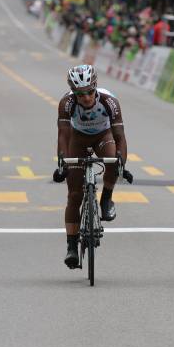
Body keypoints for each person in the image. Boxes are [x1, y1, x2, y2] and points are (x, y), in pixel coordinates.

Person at [55, 65, 132, 269]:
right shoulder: (67, 102)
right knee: (74, 196)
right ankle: (71, 247)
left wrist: (122, 163)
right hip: (77, 138)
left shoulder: (109, 102)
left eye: (89, 92)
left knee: (113, 162)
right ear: (74, 92)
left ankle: (106, 197)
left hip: (103, 136)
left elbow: (120, 137)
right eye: (80, 94)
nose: (86, 98)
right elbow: (63, 135)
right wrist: (62, 162)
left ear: (95, 87)